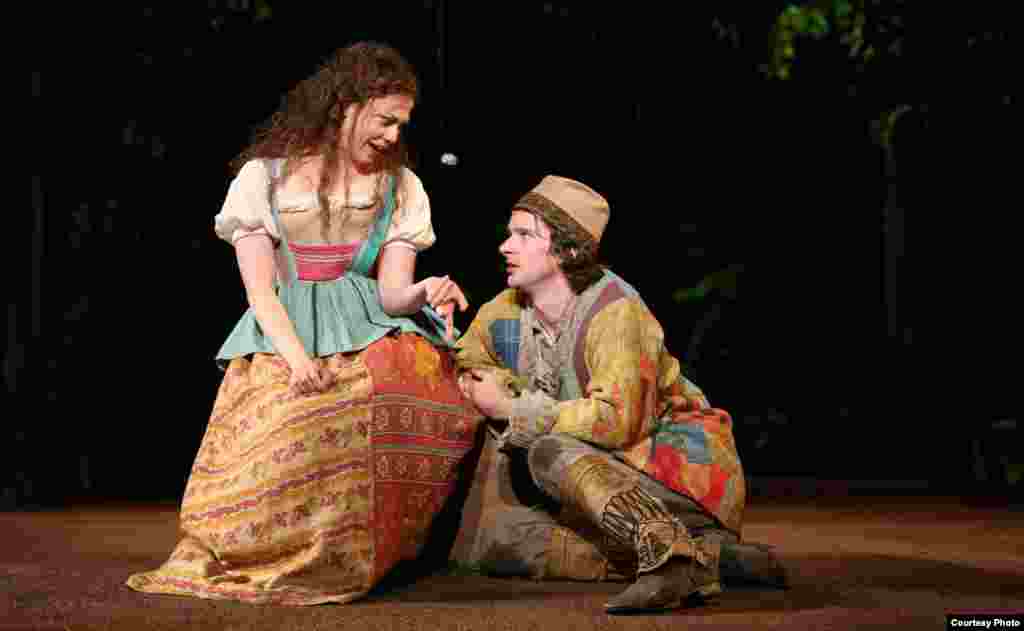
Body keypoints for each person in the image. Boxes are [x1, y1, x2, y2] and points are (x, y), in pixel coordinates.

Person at [126, 42, 483, 606]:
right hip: (286, 329)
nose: (394, 135)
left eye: (401, 124)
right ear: (346, 105)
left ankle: (368, 552)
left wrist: (425, 289)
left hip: (368, 322)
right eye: (386, 120)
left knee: (403, 394)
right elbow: (260, 292)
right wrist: (296, 359)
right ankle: (267, 553)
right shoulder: (262, 179)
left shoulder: (402, 186)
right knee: (285, 432)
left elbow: (392, 296)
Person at [451, 176, 786, 613]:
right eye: (509, 233)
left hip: (672, 470)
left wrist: (514, 407)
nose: (505, 246)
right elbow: (468, 361)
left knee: (546, 450)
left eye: (523, 235)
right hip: (595, 480)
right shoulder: (506, 310)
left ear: (567, 249)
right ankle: (711, 558)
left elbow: (615, 422)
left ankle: (668, 553)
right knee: (492, 544)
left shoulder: (616, 311)